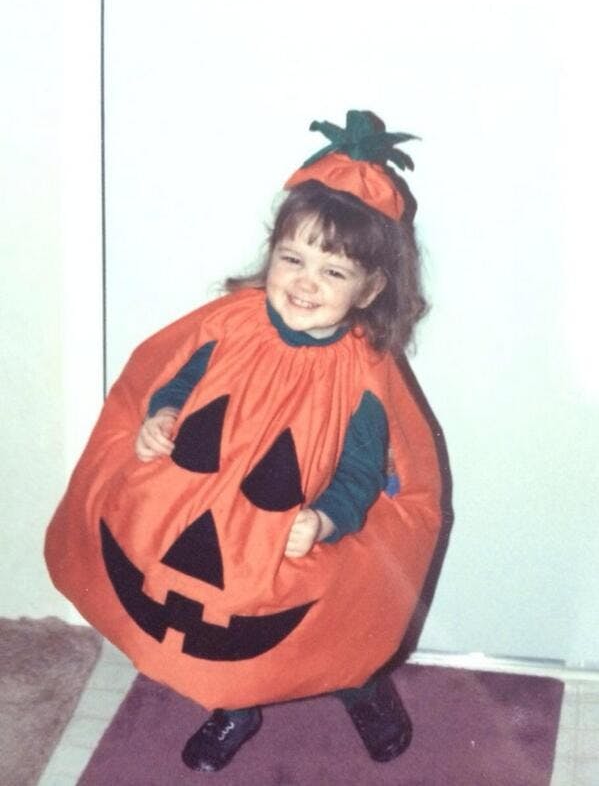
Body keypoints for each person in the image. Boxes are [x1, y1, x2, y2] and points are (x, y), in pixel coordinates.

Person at [45, 110, 442, 774]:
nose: (305, 282)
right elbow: (181, 377)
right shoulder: (230, 326)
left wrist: (326, 518)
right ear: (272, 253)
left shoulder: (362, 377)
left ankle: (362, 689)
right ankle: (233, 706)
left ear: (370, 289)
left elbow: (360, 470)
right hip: (203, 507)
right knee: (210, 614)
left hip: (294, 524)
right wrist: (163, 415)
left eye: (333, 272)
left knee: (325, 622)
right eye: (293, 258)